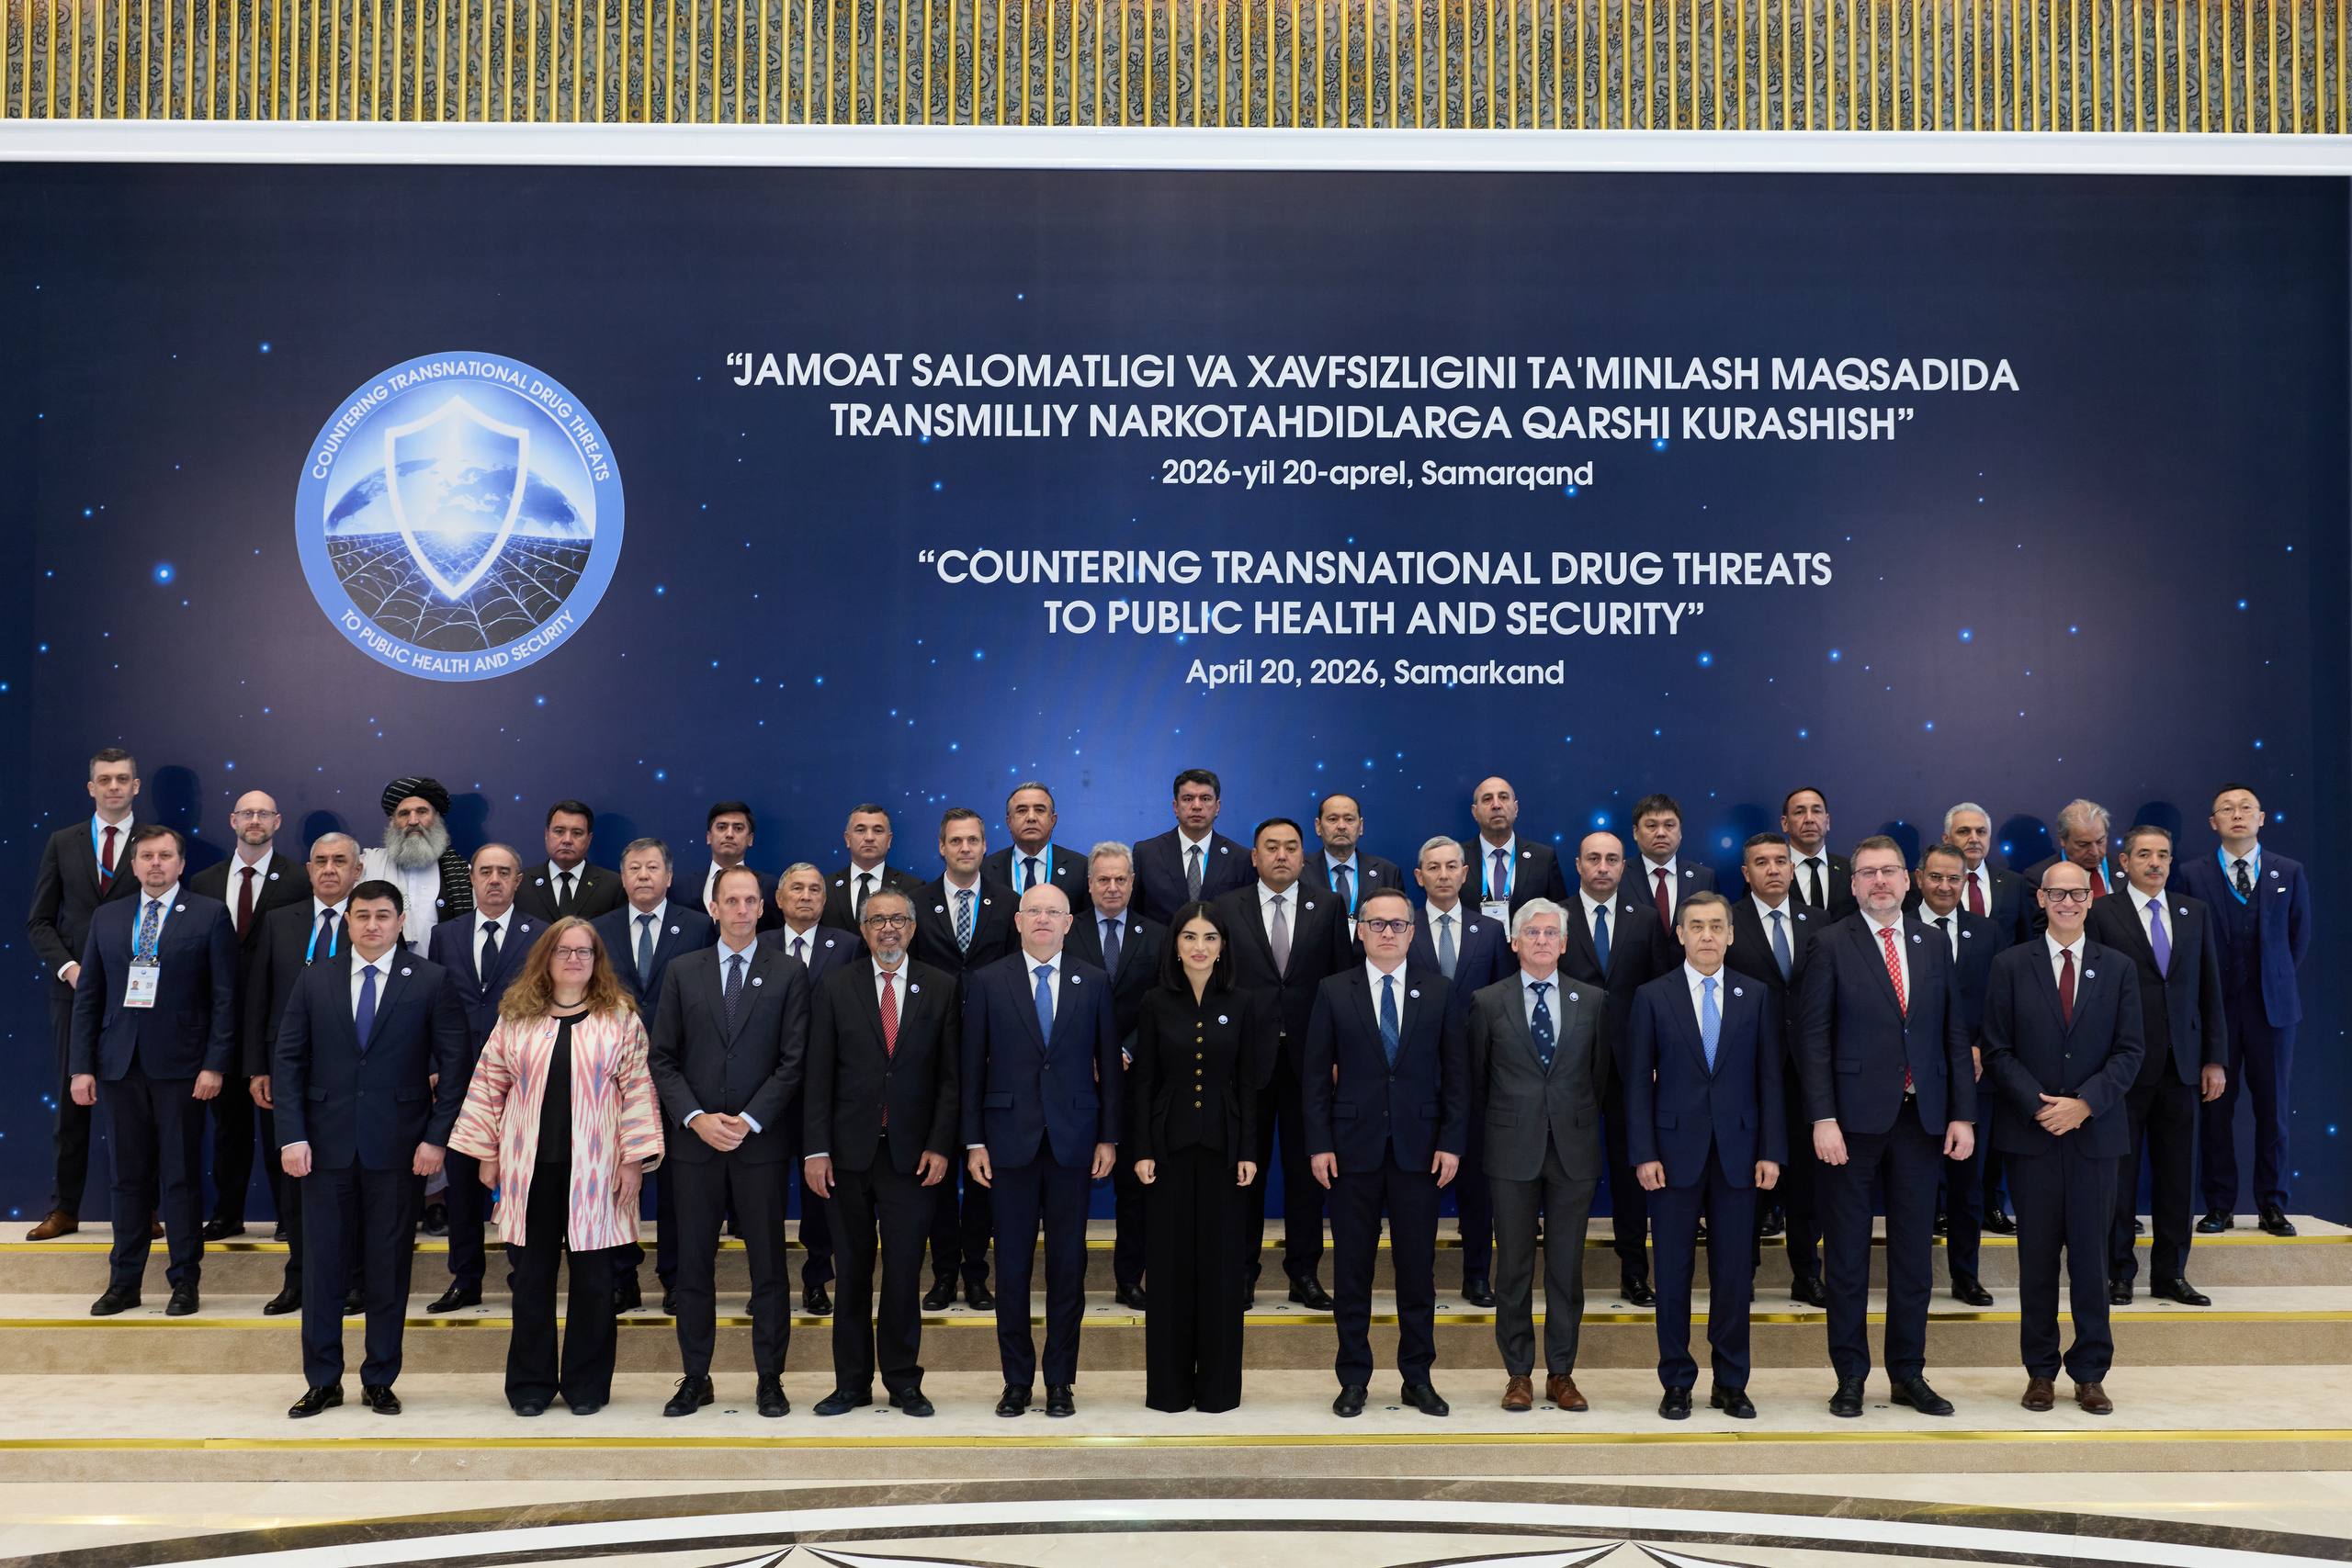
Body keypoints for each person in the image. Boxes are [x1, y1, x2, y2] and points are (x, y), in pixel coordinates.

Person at [449, 918, 662, 1416]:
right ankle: (530, 1385)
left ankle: (587, 1386)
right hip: (529, 1169)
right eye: (563, 950)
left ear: (597, 961)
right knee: (530, 1281)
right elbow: (489, 1084)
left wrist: (633, 1160)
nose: (573, 959)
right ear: (546, 958)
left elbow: (638, 1089)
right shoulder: (516, 1017)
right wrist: (487, 1153)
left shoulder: (620, 1018)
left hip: (598, 1169)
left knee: (594, 1283)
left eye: (584, 952)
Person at [273, 879, 468, 1417]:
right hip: (322, 1149)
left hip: (399, 1150)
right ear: (348, 921)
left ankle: (380, 1377)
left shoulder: (430, 980)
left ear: (401, 922)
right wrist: (292, 1135)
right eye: (362, 915)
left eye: (383, 915)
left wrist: (436, 1138)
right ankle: (323, 1380)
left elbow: (456, 1068)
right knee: (322, 1269)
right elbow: (288, 1061)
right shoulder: (315, 978)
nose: (372, 925)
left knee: (388, 1267)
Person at [1797, 836, 1975, 1419]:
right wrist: (1823, 1117)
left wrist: (1962, 1113)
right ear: (1853, 884)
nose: (1879, 881)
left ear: (1909, 880)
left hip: (1921, 1124)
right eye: (1868, 872)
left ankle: (1908, 1374)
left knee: (1913, 1257)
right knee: (1847, 1256)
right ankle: (1850, 1376)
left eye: (1889, 871)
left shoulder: (1932, 942)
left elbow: (1953, 1034)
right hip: (1850, 1126)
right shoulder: (1829, 943)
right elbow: (1812, 1039)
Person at [1981, 860, 2144, 1416]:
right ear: (2042, 899)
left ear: (2091, 899)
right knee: (2037, 1260)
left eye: (2077, 893)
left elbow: (2130, 1051)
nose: (2068, 902)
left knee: (2093, 1262)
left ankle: (2091, 1373)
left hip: (2095, 1136)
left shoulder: (2118, 968)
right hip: (2032, 1137)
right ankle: (2041, 1371)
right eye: (2057, 894)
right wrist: (2040, 1106)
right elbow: (1997, 1049)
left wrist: (2085, 1105)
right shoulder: (2009, 965)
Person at [648, 865, 811, 1419]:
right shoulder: (682, 971)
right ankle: (696, 1377)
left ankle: (770, 1378)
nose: (741, 910)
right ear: (713, 908)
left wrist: (750, 1120)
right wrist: (696, 1118)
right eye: (731, 901)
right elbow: (662, 1058)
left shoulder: (788, 972)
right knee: (693, 1266)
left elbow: (793, 1061)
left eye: (750, 901)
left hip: (759, 1146)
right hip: (696, 1147)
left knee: (769, 1267)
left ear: (763, 908)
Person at [961, 883, 1121, 1418]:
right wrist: (974, 1141)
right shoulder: (988, 981)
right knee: (1011, 1269)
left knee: (1067, 1268)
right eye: (1034, 911)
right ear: (1018, 920)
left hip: (1075, 1142)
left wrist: (1108, 1136)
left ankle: (1059, 1381)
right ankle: (1016, 1381)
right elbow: (970, 1068)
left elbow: (1109, 1067)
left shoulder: (1093, 981)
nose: (1044, 919)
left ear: (1070, 923)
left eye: (1054, 912)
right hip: (1008, 1144)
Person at [1306, 886, 1466, 1418]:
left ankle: (1417, 1378)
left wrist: (1451, 1142)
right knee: (1352, 1270)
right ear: (1360, 930)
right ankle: (1353, 1378)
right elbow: (1314, 1077)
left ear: (1413, 932)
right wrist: (1319, 1144)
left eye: (1398, 924)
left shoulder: (1439, 991)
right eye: (1377, 923)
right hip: (1350, 1153)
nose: (1388, 933)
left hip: (1420, 1154)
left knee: (1417, 1272)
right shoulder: (1334, 990)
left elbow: (1458, 1076)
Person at [69, 824, 238, 1315]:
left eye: (165, 855)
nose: (156, 864)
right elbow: (89, 997)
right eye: (147, 856)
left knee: (180, 1178)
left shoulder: (209, 914)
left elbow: (225, 997)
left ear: (181, 864)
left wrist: (215, 1064)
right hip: (119, 1067)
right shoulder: (108, 917)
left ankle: (184, 1282)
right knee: (126, 1179)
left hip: (183, 1068)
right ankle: (124, 1283)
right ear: (134, 864)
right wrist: (82, 1068)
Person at [1628, 891, 1784, 1420]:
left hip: (1740, 1155)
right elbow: (1636, 1083)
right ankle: (1676, 1381)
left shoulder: (1755, 995)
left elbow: (1770, 1079)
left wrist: (1771, 1151)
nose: (1707, 935)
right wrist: (1644, 1152)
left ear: (1732, 934)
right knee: (1672, 1274)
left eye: (1717, 925)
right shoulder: (1653, 996)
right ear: (1680, 934)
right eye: (1696, 926)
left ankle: (1731, 1382)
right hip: (1671, 1157)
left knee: (1734, 1275)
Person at [803, 888, 959, 1418]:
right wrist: (816, 1149)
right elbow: (817, 1074)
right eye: (876, 921)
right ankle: (850, 1384)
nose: (887, 929)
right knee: (851, 1273)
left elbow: (951, 1079)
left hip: (912, 1159)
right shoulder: (835, 985)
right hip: (846, 1157)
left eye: (897, 920)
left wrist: (940, 1145)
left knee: (903, 1273)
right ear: (863, 929)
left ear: (912, 928)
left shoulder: (941, 986)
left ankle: (903, 1381)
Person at [1127, 901, 1274, 1412]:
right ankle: (1168, 1389)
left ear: (1222, 947)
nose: (1199, 946)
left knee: (1221, 1271)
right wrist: (1142, 1148)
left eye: (1210, 937)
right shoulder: (1155, 1002)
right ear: (1175, 945)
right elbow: (1144, 1080)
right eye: (1189, 936)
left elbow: (1250, 1083)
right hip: (1166, 1151)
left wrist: (1249, 1149)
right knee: (1169, 1270)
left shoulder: (1243, 1002)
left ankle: (1218, 1390)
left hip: (1223, 1150)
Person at [1466, 897, 1604, 1414]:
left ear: (1564, 944)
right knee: (1514, 1268)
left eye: (1551, 933)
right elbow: (1477, 1080)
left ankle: (1562, 1373)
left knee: (1566, 1268)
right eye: (1533, 932)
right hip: (1510, 1150)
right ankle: (1518, 1374)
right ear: (1515, 941)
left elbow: (1600, 1078)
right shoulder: (1487, 1002)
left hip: (1573, 1151)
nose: (1542, 940)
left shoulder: (1593, 1001)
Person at [1214, 817, 1348, 1310]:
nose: (1281, 855)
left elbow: (1342, 983)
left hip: (1309, 1064)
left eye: (1291, 847)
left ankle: (1304, 1273)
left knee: (1306, 1173)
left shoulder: (1328, 905)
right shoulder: (1226, 908)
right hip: (1245, 1063)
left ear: (1303, 856)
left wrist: (1339, 1055)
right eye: (1271, 847)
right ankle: (1241, 1272)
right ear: (1255, 857)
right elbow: (1219, 985)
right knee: (1244, 1171)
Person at [2090, 826, 2226, 1304]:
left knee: (2177, 1178)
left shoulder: (2193, 912)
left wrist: (2214, 1058)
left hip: (2182, 1067)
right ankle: (2118, 1273)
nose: (2155, 863)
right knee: (2119, 1178)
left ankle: (2171, 1274)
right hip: (2122, 1070)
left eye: (2163, 855)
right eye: (2145, 854)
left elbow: (2209, 989)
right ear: (2124, 862)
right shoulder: (2102, 912)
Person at [2177, 784, 2309, 1237]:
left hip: (2273, 1013)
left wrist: (2272, 980)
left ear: (2261, 818)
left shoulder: (2288, 872)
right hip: (2215, 1013)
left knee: (2274, 1111)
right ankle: (2219, 1204)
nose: (2238, 814)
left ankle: (2273, 1203)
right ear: (2213, 822)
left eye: (2246, 807)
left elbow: (2297, 939)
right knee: (2216, 1111)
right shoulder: (2191, 874)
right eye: (2227, 809)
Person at [23, 746, 144, 1239]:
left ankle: (142, 1209)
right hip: (74, 996)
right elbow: (39, 922)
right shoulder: (62, 842)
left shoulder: (156, 844)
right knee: (72, 1103)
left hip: (137, 997)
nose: (114, 786)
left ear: (136, 786)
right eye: (105, 779)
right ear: (91, 787)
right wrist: (70, 969)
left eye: (122, 778)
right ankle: (65, 1209)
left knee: (136, 1106)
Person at [594, 837, 717, 1314]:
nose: (643, 876)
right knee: (619, 1179)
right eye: (634, 868)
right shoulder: (599, 929)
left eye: (652, 868)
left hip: (679, 1070)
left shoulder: (699, 926)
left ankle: (676, 1277)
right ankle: (621, 1277)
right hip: (614, 1074)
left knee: (678, 1185)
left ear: (669, 877)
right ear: (622, 877)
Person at [243, 833, 364, 1314]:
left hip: (351, 1076)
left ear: (357, 871)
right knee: (294, 1182)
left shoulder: (370, 922)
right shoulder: (279, 920)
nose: (330, 869)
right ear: (308, 869)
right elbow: (258, 996)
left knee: (350, 1180)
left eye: (340, 861)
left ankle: (353, 1280)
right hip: (287, 1072)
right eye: (321, 861)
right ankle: (298, 1279)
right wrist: (257, 1067)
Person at [422, 844, 544, 1310]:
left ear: (518, 881)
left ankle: (524, 1275)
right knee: (462, 1185)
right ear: (471, 878)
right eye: (485, 871)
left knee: (521, 1183)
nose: (494, 879)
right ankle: (465, 1277)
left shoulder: (541, 934)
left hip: (520, 1080)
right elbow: (432, 1006)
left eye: (504, 872)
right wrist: (433, 1066)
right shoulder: (445, 935)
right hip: (459, 1082)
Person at [190, 789, 310, 1238]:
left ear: (277, 822)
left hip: (277, 1023)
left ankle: (288, 1217)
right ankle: (227, 1214)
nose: (254, 820)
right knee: (228, 1127)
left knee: (280, 1123)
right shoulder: (203, 881)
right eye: (247, 813)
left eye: (263, 813)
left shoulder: (299, 880)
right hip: (220, 1025)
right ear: (232, 820)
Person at [1561, 830, 1671, 1308]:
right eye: (1593, 858)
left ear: (1624, 867)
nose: (1602, 867)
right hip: (1569, 1067)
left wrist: (1659, 1058)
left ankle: (1634, 1273)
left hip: (1632, 1068)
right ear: (1578, 865)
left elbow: (1661, 993)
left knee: (1631, 1177)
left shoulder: (1645, 919)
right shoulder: (1554, 916)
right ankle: (1565, 1276)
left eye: (1611, 859)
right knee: (1570, 1174)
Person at [911, 808, 1014, 1314]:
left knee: (982, 1178)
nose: (966, 848)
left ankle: (977, 1275)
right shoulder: (916, 903)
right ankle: (943, 1274)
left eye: (973, 840)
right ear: (942, 847)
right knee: (936, 1173)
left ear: (984, 845)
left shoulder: (1009, 903)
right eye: (956, 841)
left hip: (992, 1056)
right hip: (931, 1055)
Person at [1408, 835, 1511, 1308]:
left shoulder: (1489, 931)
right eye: (1434, 867)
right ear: (1419, 876)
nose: (1444, 875)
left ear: (1466, 874)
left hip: (1477, 1076)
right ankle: (1420, 1278)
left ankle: (1476, 1277)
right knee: (1418, 1187)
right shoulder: (1401, 928)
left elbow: (1503, 1002)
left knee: (1477, 1186)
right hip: (1416, 1075)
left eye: (1452, 866)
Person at [1065, 842, 1166, 1310]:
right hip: (1074, 1079)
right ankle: (1070, 1280)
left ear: (1132, 883)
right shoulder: (1065, 930)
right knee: (1069, 1189)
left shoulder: (1158, 935)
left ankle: (1130, 1278)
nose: (1111, 887)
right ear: (1089, 885)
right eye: (1102, 879)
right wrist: (1088, 1052)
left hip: (1135, 1080)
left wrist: (1124, 1050)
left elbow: (1163, 1004)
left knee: (1133, 1188)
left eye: (1120, 879)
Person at [1724, 832, 1824, 1303]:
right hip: (1745, 1070)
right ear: (1747, 874)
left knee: (1806, 1182)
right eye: (1761, 863)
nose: (1773, 869)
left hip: (1807, 1072)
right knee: (1748, 1180)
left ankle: (1807, 1274)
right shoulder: (1728, 921)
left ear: (1792, 867)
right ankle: (1742, 1275)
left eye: (1780, 861)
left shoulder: (1818, 922)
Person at [761, 862, 855, 1314]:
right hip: (767, 1090)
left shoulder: (849, 946)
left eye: (815, 889)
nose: (805, 896)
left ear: (825, 899)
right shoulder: (757, 945)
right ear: (779, 900)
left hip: (826, 1089)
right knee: (765, 1195)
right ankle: (767, 1286)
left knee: (821, 1191)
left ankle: (817, 1279)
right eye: (796, 888)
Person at [1914, 843, 2001, 1306]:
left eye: (1954, 878)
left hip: (1974, 1074)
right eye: (1936, 877)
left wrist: (1981, 1046)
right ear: (1918, 878)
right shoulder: (1897, 928)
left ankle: (1966, 1276)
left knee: (1968, 1186)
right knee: (1916, 1183)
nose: (1945, 886)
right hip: (1913, 1079)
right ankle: (1914, 1279)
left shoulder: (1987, 932)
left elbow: (2001, 1000)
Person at [360, 776, 473, 948]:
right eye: (404, 813)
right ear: (393, 822)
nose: (413, 821)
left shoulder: (462, 873)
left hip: (440, 965)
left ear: (436, 818)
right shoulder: (368, 864)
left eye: (422, 812)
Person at [1134, 768, 1253, 924]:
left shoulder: (1240, 858)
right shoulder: (1146, 854)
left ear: (1217, 807)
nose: (1196, 806)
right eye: (1188, 798)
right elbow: (1134, 915)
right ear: (1175, 807)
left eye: (1205, 798)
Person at [1927, 802, 2030, 946]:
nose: (1974, 839)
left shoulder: (2014, 882)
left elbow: (2025, 941)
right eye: (1964, 832)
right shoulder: (1929, 883)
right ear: (1946, 839)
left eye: (1981, 832)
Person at [1468, 775, 1571, 920]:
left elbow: (1560, 918)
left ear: (1515, 808)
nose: (1496, 805)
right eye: (1487, 799)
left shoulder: (1543, 858)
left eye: (1503, 797)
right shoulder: (1458, 858)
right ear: (1475, 812)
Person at [983, 781, 1092, 918]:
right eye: (1022, 811)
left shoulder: (1080, 868)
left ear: (1053, 820)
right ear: (1009, 822)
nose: (1031, 818)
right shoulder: (986, 870)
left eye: (1040, 810)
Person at [1302, 792, 1403, 929]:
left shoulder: (1387, 873)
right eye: (1333, 819)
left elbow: (1398, 925)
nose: (1341, 826)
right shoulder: (1300, 871)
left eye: (1349, 819)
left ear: (1360, 826)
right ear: (1318, 826)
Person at [514, 800, 625, 922]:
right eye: (559, 831)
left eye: (577, 833)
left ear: (589, 839)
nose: (567, 840)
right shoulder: (521, 884)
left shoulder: (613, 886)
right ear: (546, 834)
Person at [820, 804, 923, 932]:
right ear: (847, 839)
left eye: (878, 831)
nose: (869, 838)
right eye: (860, 830)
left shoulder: (913, 888)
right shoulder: (825, 887)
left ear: (889, 840)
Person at [1630, 792, 1718, 929]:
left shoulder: (1704, 878)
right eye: (1652, 826)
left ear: (1680, 831)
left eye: (1669, 825)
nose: (1661, 833)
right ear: (1636, 832)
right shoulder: (1620, 875)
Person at [688, 801, 776, 925]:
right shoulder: (681, 889)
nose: (729, 834)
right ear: (709, 837)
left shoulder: (770, 887)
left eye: (738, 828)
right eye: (721, 827)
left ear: (750, 839)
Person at [1781, 787, 1856, 920]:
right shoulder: (1771, 872)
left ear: (1827, 821)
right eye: (1799, 812)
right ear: (1785, 823)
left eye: (1816, 811)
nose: (1809, 819)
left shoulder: (1851, 869)